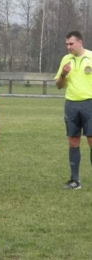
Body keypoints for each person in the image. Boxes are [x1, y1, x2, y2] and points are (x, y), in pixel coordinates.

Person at [55, 30, 92, 189]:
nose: (68, 47)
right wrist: (63, 74)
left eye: (71, 44)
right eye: (67, 44)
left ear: (80, 42)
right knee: (73, 141)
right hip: (71, 104)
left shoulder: (90, 57)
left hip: (89, 103)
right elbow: (58, 85)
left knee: (91, 141)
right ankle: (75, 180)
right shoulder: (66, 59)